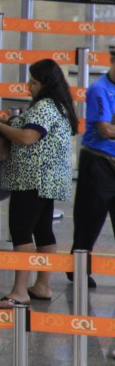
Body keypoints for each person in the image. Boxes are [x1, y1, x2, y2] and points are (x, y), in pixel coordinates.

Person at [0, 59, 77, 309]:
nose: (28, 86)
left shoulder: (44, 106)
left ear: (46, 84)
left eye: (33, 82)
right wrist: (6, 121)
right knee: (43, 230)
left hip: (32, 179)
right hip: (47, 179)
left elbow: (26, 138)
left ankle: (19, 291)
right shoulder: (59, 104)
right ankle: (42, 285)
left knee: (21, 231)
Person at [68, 49, 115, 289]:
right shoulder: (100, 90)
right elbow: (106, 130)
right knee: (89, 219)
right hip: (98, 162)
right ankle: (77, 268)